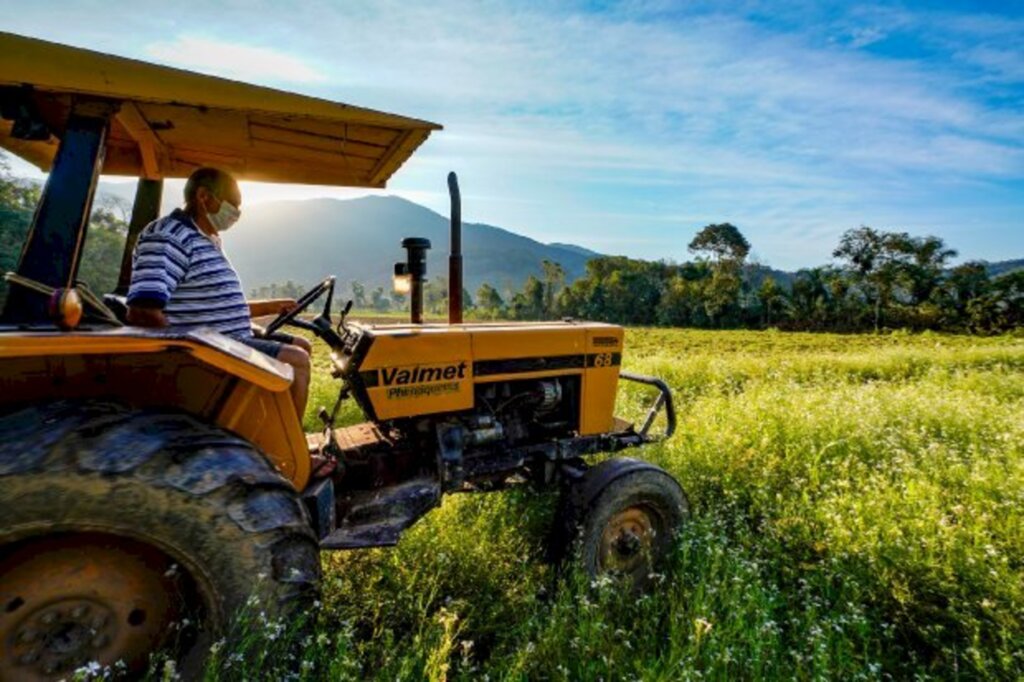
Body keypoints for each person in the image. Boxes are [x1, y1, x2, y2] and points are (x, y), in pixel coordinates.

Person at [125, 167, 312, 420]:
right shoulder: (169, 237)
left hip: (228, 338)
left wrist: (271, 306)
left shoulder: (206, 238)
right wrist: (184, 355)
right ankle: (289, 450)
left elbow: (215, 306)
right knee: (296, 361)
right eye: (233, 204)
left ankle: (264, 423)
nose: (237, 213)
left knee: (302, 345)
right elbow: (143, 312)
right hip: (209, 349)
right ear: (204, 197)